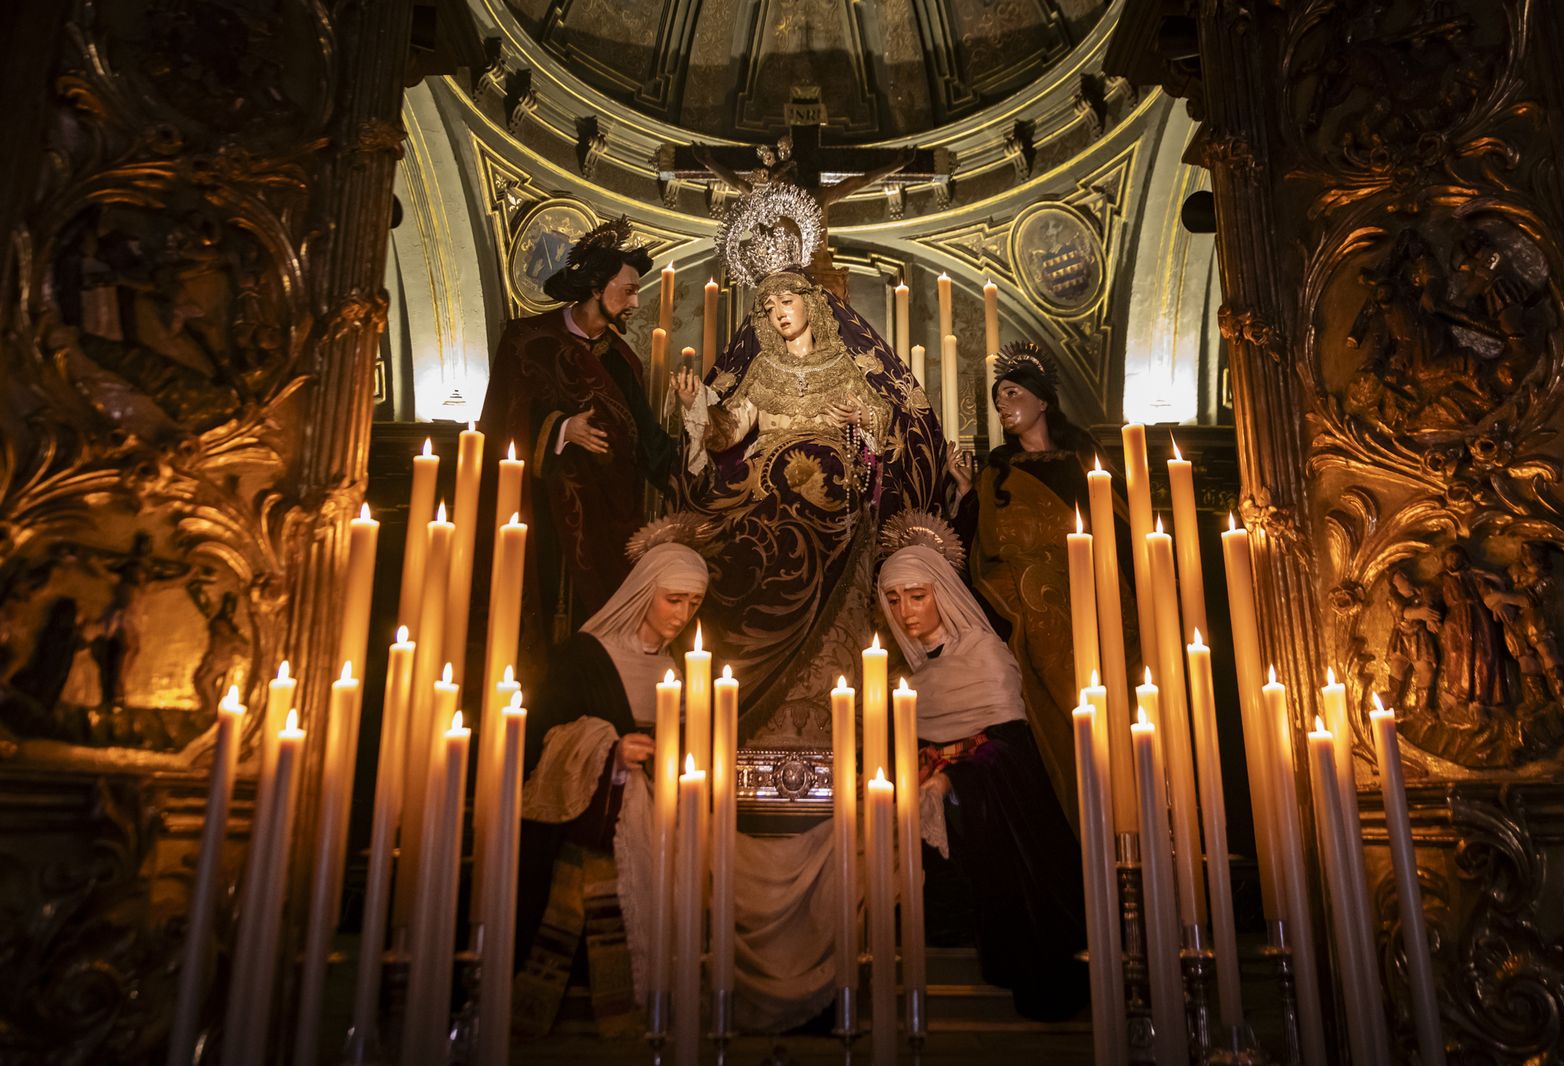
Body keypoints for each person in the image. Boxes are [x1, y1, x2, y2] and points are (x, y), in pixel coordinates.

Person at [671, 183, 946, 742]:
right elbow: (728, 433)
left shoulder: (846, 368)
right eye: (768, 308)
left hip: (830, 507)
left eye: (786, 303)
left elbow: (881, 439)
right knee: (732, 540)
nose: (777, 316)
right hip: (763, 501)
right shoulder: (762, 373)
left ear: (812, 303)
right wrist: (697, 406)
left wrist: (861, 423)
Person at [877, 536, 1089, 1021]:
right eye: (893, 600)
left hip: (981, 810)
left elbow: (1011, 751)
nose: (905, 611)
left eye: (917, 595)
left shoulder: (985, 657)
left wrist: (953, 781)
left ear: (943, 593)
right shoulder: (910, 675)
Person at [513, 536, 706, 1038]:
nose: (682, 614)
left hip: (654, 818)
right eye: (673, 599)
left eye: (694, 602)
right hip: (591, 819)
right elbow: (545, 737)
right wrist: (610, 749)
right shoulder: (585, 656)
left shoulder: (675, 670)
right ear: (645, 592)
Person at [947, 342, 1136, 814]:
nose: (1004, 407)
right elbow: (979, 550)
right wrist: (969, 492)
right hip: (1034, 623)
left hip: (1097, 605)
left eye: (1012, 395)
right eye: (998, 401)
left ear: (1043, 400)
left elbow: (1122, 529)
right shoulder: (999, 472)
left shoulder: (1083, 463)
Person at [477, 216, 676, 657]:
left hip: (607, 524)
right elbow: (499, 426)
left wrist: (702, 449)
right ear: (594, 288)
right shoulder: (527, 341)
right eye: (627, 290)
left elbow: (646, 440)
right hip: (541, 516)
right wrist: (562, 429)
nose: (636, 303)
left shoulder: (624, 360)